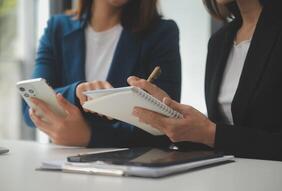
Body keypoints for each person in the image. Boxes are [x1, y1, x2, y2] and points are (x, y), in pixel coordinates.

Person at [128, 0, 282, 162]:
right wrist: (169, 112)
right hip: (228, 183)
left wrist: (211, 134)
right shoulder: (219, 41)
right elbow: (219, 139)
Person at [23, 0, 181, 147]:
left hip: (132, 170)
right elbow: (29, 104)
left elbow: (167, 125)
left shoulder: (160, 33)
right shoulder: (56, 28)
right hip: (62, 165)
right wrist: (77, 94)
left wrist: (90, 136)